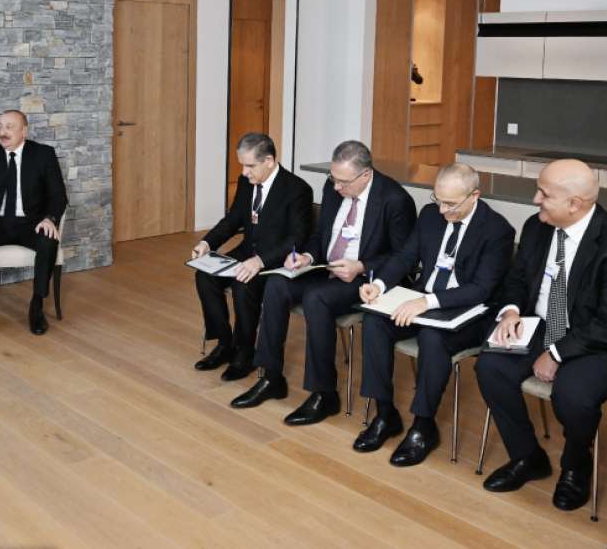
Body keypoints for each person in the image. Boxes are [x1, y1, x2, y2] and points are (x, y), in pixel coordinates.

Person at [475, 159, 607, 512]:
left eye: (544, 193)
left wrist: (556, 353)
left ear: (575, 204)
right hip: (542, 323)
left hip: (601, 339)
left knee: (573, 395)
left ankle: (575, 465)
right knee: (491, 367)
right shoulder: (537, 227)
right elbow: (517, 279)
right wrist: (511, 310)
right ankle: (527, 456)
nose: (535, 199)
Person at [231, 140, 414, 425]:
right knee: (277, 283)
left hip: (364, 279)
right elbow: (320, 236)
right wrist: (306, 256)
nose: (336, 187)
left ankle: (324, 394)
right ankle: (271, 376)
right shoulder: (334, 188)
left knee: (317, 298)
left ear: (365, 175)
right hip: (324, 267)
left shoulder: (395, 200)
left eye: (343, 182)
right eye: (333, 178)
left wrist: (361, 266)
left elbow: (404, 257)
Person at [353, 163, 515, 466]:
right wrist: (379, 284)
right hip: (422, 300)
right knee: (374, 320)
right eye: (437, 200)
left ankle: (423, 426)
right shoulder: (430, 215)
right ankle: (385, 413)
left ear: (474, 196)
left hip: (468, 312)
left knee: (432, 337)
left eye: (450, 204)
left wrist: (428, 302)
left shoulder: (497, 230)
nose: (442, 210)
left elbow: (482, 288)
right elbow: (405, 256)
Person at [191, 133, 312, 381]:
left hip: (275, 260)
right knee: (205, 275)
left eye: (250, 166)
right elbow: (233, 219)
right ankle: (225, 344)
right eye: (242, 165)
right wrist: (207, 242)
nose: (244, 172)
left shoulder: (297, 189)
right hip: (247, 251)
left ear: (269, 161)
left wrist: (260, 261)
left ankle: (245, 353)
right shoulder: (247, 182)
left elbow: (297, 239)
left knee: (243, 284)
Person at [0, 109, 68, 339]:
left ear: (24, 131)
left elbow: (58, 196)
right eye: (0, 127)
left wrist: (50, 219)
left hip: (31, 223)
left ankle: (36, 306)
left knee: (48, 239)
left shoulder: (44, 154)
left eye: (9, 127)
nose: (3, 132)